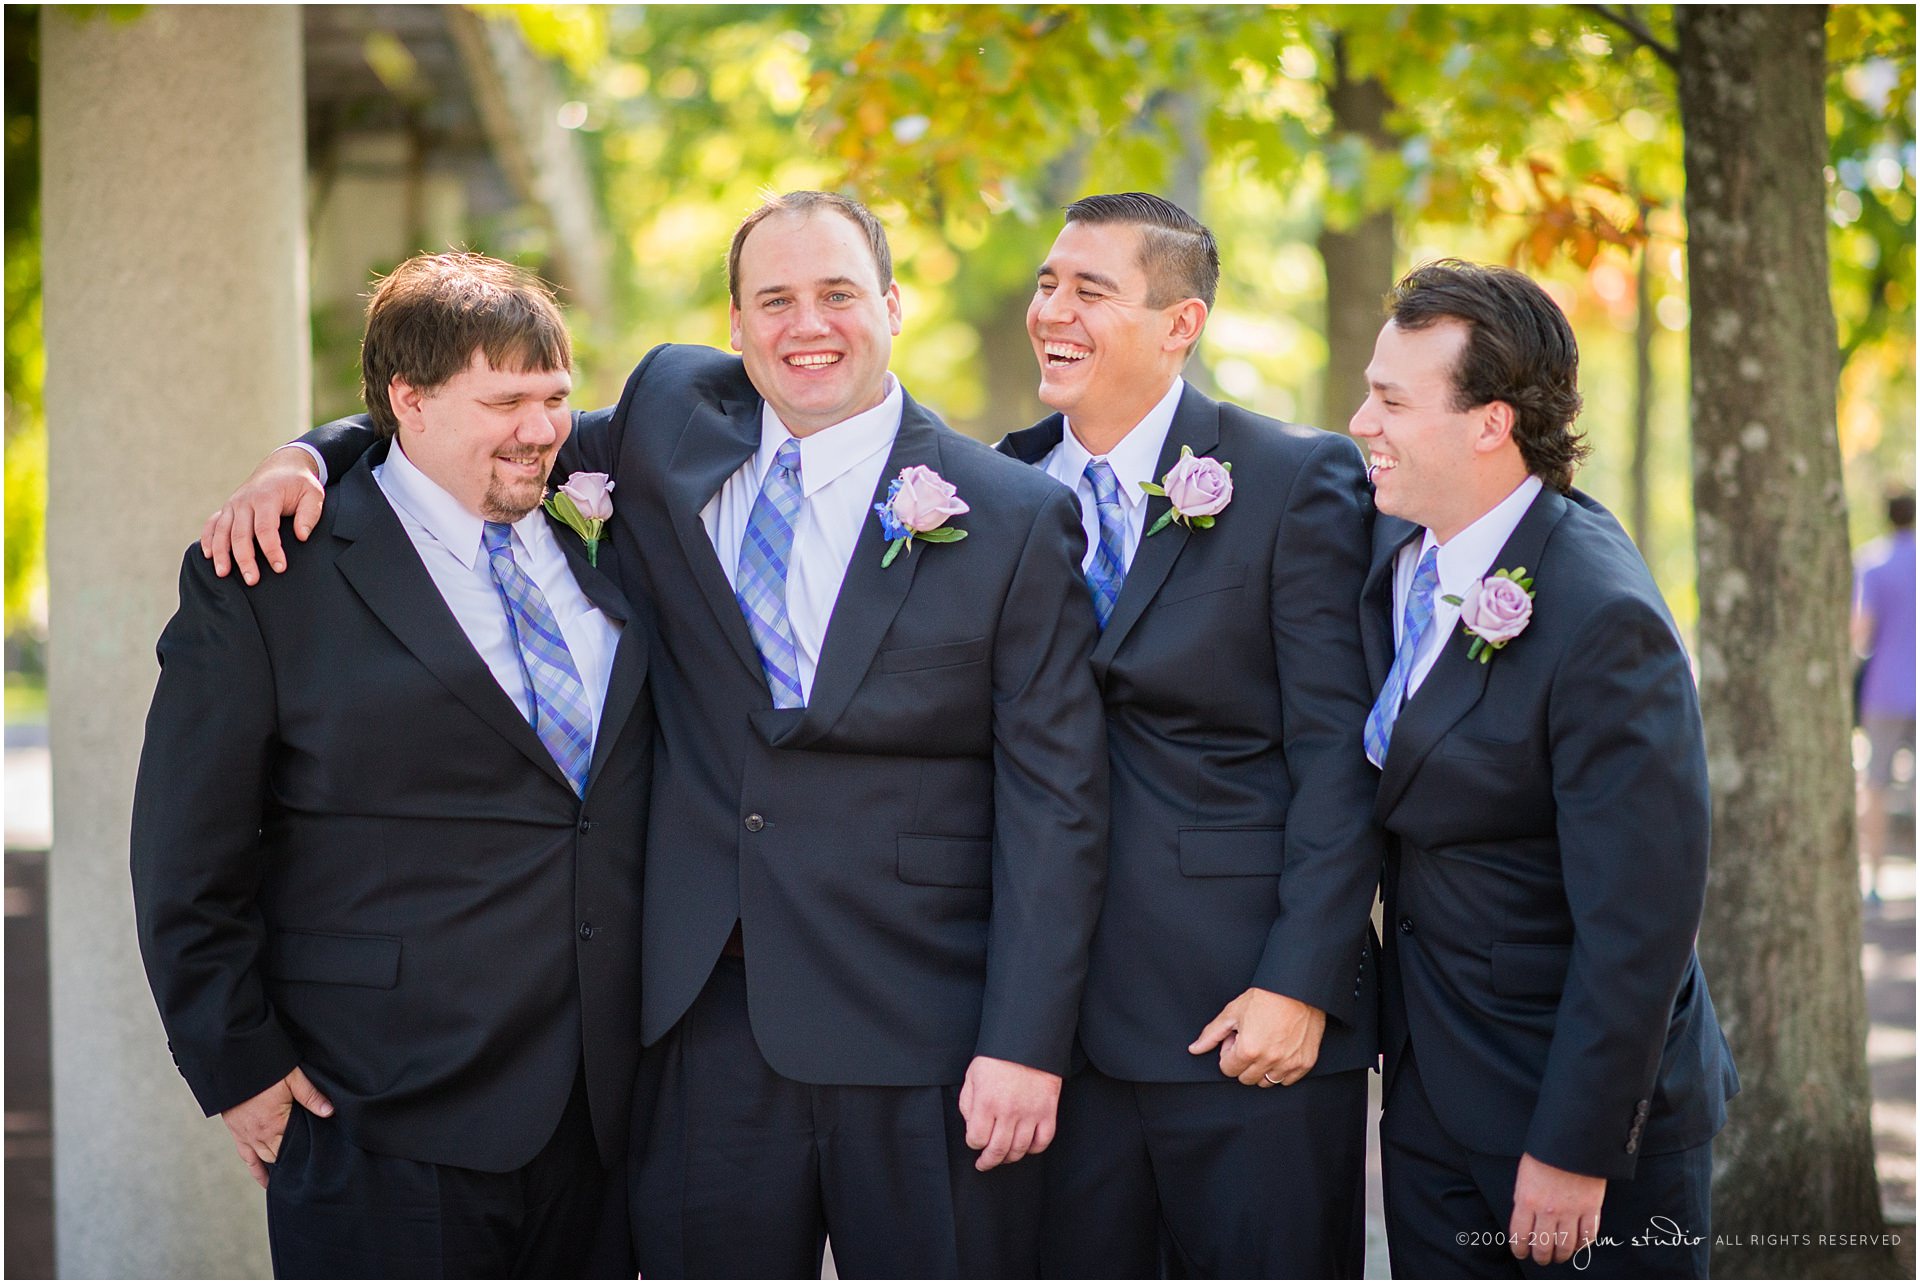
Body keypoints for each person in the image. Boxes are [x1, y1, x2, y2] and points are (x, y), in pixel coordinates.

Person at [199, 191, 1109, 1279]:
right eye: (773, 299)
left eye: (836, 294)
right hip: (692, 1028)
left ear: (894, 305)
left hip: (927, 1031)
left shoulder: (1010, 515)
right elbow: (466, 430)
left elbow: (1058, 802)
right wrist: (303, 458)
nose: (804, 324)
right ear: (733, 324)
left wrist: (1024, 1042)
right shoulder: (667, 425)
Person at [133, 253, 653, 1277]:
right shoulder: (269, 571)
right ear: (407, 403)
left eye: (555, 397)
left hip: (605, 1114)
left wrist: (307, 444)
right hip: (376, 1106)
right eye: (505, 401)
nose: (544, 429)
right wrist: (239, 1066)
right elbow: (186, 846)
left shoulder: (606, 519)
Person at [995, 193, 1381, 1277]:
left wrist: (1303, 982)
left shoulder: (1295, 481)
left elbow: (1337, 757)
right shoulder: (996, 486)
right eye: (1046, 283)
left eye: (1091, 290)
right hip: (1052, 1042)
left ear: (1181, 324)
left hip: (1246, 1022)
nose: (1053, 310)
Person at [1350, 260, 1739, 1277]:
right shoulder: (1401, 556)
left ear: (1491, 423)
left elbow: (1642, 920)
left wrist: (1575, 1147)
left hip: (1573, 1107)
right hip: (1433, 1077)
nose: (1361, 422)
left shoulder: (1600, 614)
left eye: (1391, 399)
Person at [1853, 489, 1915, 908]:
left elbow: (1861, 631)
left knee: (1875, 785)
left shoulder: (1872, 564)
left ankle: (1873, 881)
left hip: (1884, 691)